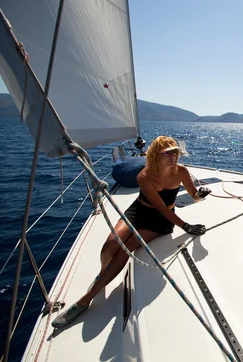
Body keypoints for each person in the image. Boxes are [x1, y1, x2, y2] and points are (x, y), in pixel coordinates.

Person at [52, 136, 208, 328]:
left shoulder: (182, 172)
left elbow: (192, 197)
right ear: (155, 155)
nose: (173, 157)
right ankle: (103, 275)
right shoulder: (144, 176)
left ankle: (85, 300)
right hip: (139, 211)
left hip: (160, 221)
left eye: (175, 152)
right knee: (110, 244)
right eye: (167, 153)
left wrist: (200, 195)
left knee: (127, 248)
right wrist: (185, 226)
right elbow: (158, 206)